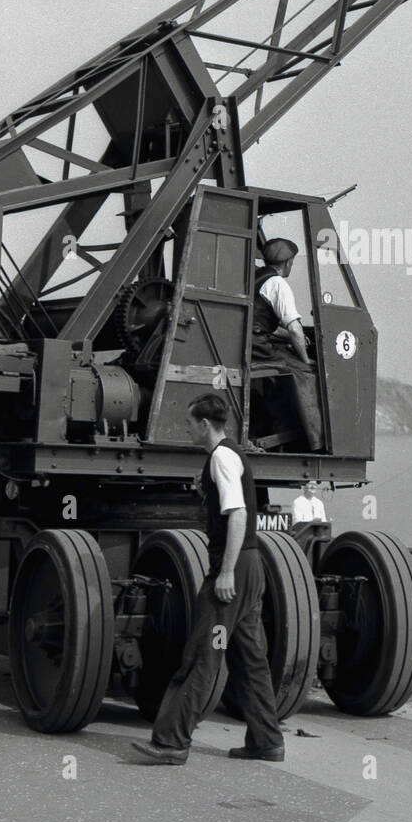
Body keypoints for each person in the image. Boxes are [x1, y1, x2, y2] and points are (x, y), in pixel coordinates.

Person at [131, 393, 285, 765]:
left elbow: (237, 515)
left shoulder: (221, 458)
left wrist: (226, 571)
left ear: (204, 424)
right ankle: (267, 741)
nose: (186, 429)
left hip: (235, 568)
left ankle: (171, 742)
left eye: (189, 423)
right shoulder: (230, 455)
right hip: (251, 566)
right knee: (251, 659)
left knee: (202, 654)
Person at [251, 237, 325, 451]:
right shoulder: (278, 284)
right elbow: (293, 328)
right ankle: (315, 441)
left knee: (286, 359)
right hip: (258, 348)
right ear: (288, 262)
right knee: (304, 373)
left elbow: (262, 321)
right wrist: (305, 358)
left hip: (248, 342)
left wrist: (289, 337)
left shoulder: (257, 277)